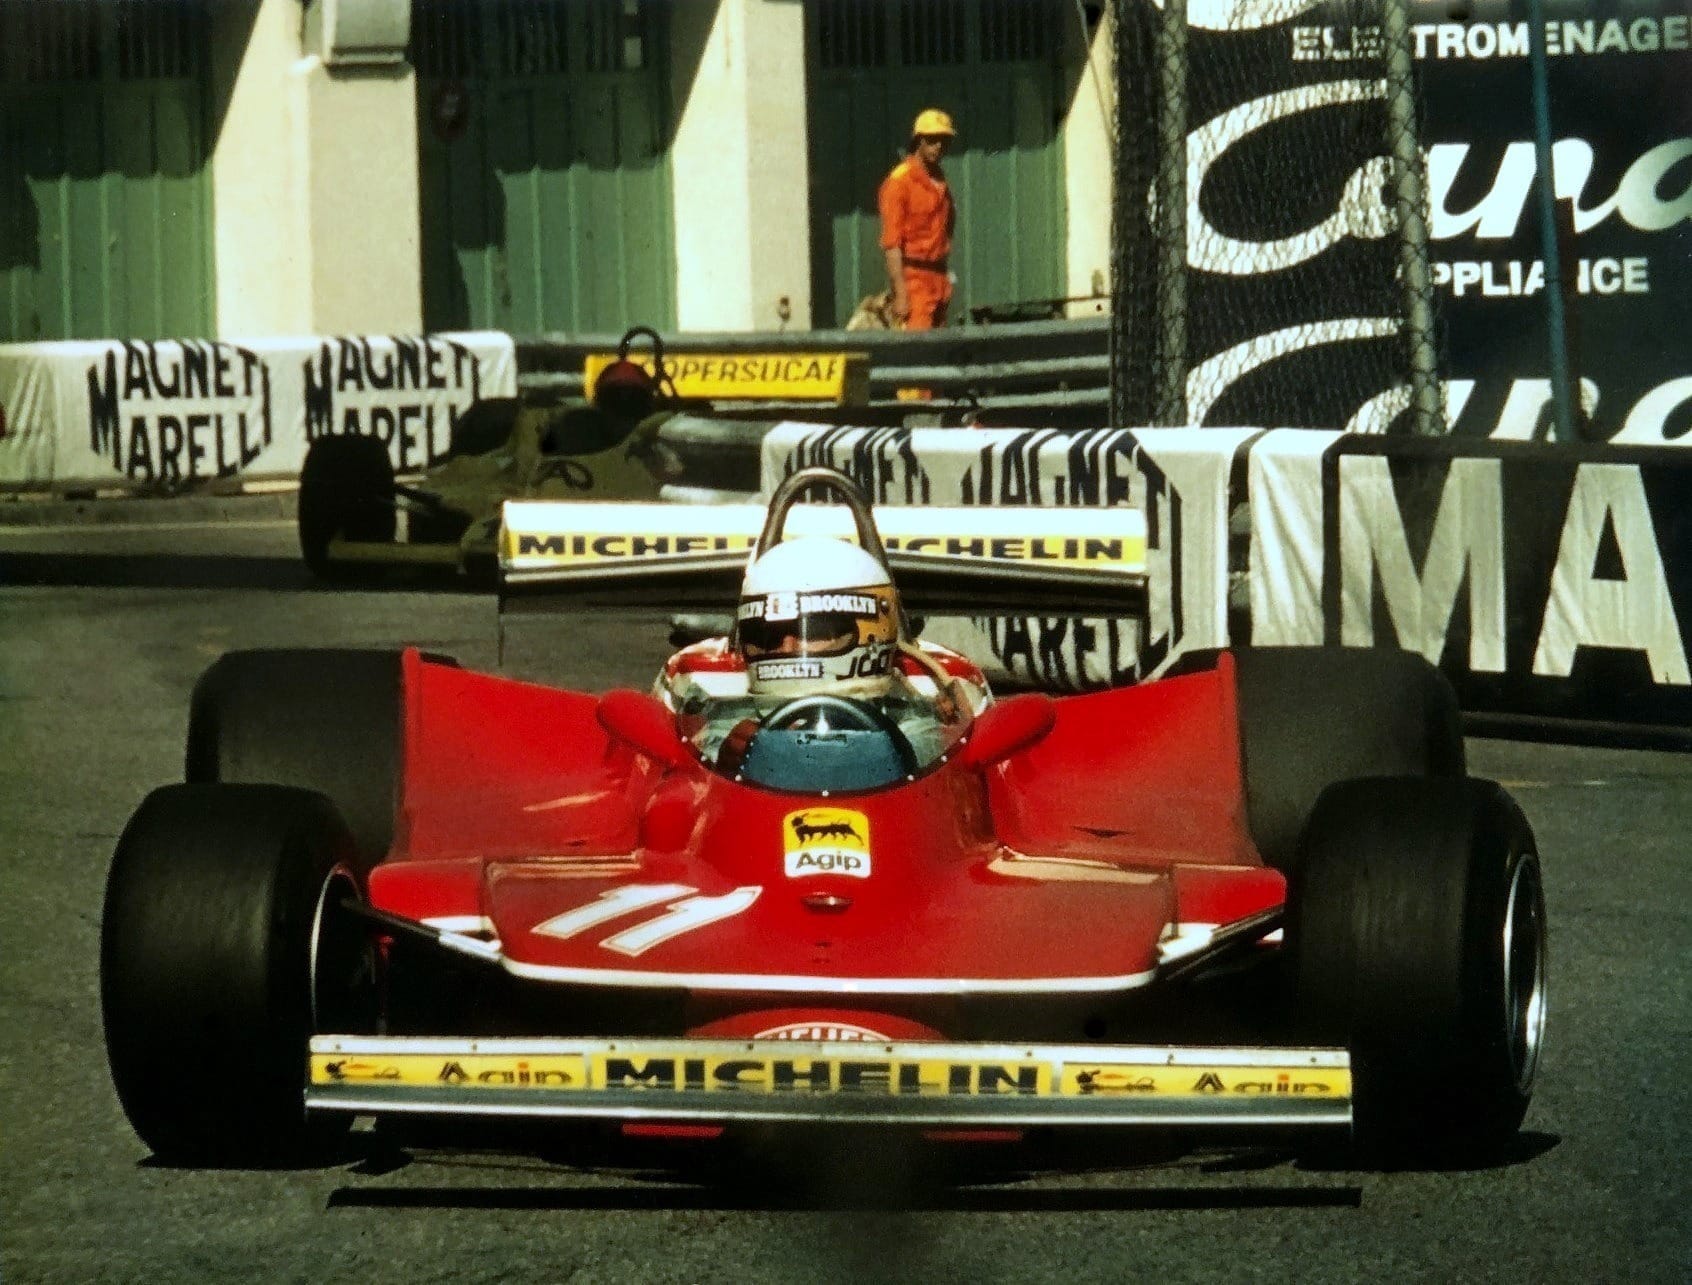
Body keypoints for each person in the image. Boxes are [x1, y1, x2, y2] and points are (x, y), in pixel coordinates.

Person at [657, 532, 990, 782]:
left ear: (871, 632)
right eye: (766, 635)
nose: (787, 647)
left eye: (813, 632)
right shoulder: (711, 707)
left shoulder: (930, 713)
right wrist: (719, 768)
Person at [878, 109, 958, 333]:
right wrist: (901, 293)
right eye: (932, 140)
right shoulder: (900, 182)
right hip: (914, 281)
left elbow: (948, 225)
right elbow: (892, 244)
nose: (938, 146)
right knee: (918, 346)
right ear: (918, 141)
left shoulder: (939, 180)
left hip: (939, 278)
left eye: (944, 141)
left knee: (940, 347)